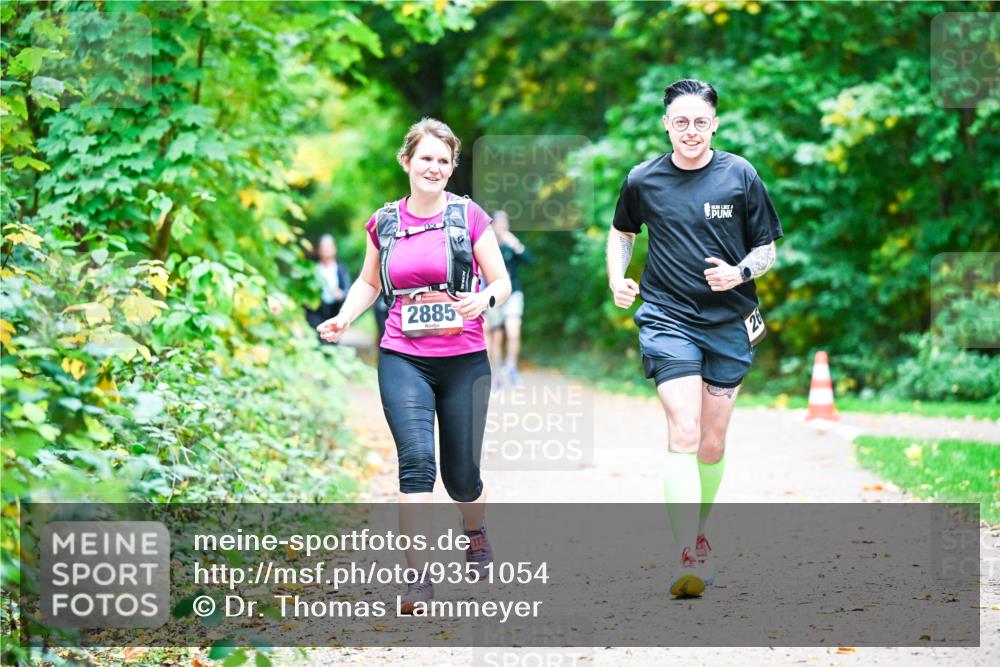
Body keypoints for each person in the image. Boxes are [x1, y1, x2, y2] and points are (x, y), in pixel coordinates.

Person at [316, 118, 511, 612]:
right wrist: (343, 318)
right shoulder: (384, 222)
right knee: (417, 463)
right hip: (404, 355)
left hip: (465, 358)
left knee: (462, 476)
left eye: (444, 161)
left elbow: (501, 282)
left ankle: (475, 530)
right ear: (407, 161)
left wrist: (482, 300)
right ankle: (417, 580)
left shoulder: (469, 217)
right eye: (426, 158)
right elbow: (368, 282)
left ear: (451, 168)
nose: (435, 167)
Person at [606, 79, 782, 598]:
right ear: (666, 124)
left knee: (711, 441)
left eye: (700, 122)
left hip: (729, 322)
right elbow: (622, 233)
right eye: (680, 122)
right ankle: (685, 552)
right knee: (683, 431)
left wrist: (740, 273)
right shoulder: (643, 179)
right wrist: (618, 278)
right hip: (666, 317)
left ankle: (700, 533)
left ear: (715, 125)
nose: (690, 131)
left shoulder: (740, 175)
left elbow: (767, 248)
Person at [483, 211, 532, 386]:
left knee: (513, 329)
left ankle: (511, 366)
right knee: (496, 334)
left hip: (513, 293)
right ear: (493, 225)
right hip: (493, 294)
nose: (503, 226)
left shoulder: (511, 244)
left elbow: (530, 261)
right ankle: (497, 370)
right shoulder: (486, 245)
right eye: (500, 222)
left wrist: (516, 244)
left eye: (506, 222)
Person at [305, 234, 351, 344]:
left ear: (334, 249)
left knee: (333, 340)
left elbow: (347, 290)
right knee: (318, 339)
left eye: (328, 247)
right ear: (319, 250)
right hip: (316, 310)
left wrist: (341, 294)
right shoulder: (312, 268)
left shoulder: (340, 269)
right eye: (323, 247)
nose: (326, 250)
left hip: (334, 310)